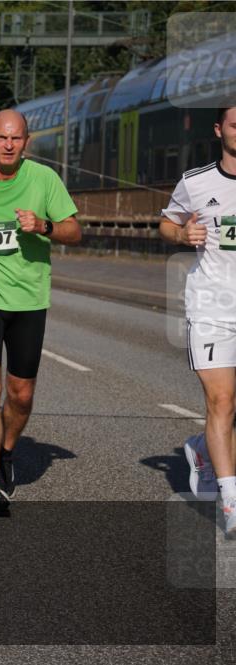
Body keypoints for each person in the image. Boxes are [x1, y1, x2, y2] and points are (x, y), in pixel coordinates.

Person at [0, 108, 82, 512]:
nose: (9, 145)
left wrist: (44, 226)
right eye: (1, 138)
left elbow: (75, 231)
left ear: (26, 143)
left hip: (29, 298)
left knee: (21, 393)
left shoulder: (44, 179)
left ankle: (7, 449)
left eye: (16, 139)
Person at [160, 106, 236, 538]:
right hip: (211, 307)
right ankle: (231, 503)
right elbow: (165, 225)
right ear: (219, 130)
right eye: (234, 124)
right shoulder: (195, 181)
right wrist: (182, 235)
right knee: (222, 402)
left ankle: (202, 450)